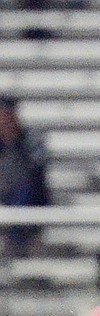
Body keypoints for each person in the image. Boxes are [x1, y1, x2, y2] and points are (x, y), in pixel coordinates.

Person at [0, 96, 51, 257]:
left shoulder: (30, 140)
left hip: (27, 201)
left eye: (8, 115)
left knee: (27, 188)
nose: (5, 120)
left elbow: (36, 173)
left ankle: (15, 236)